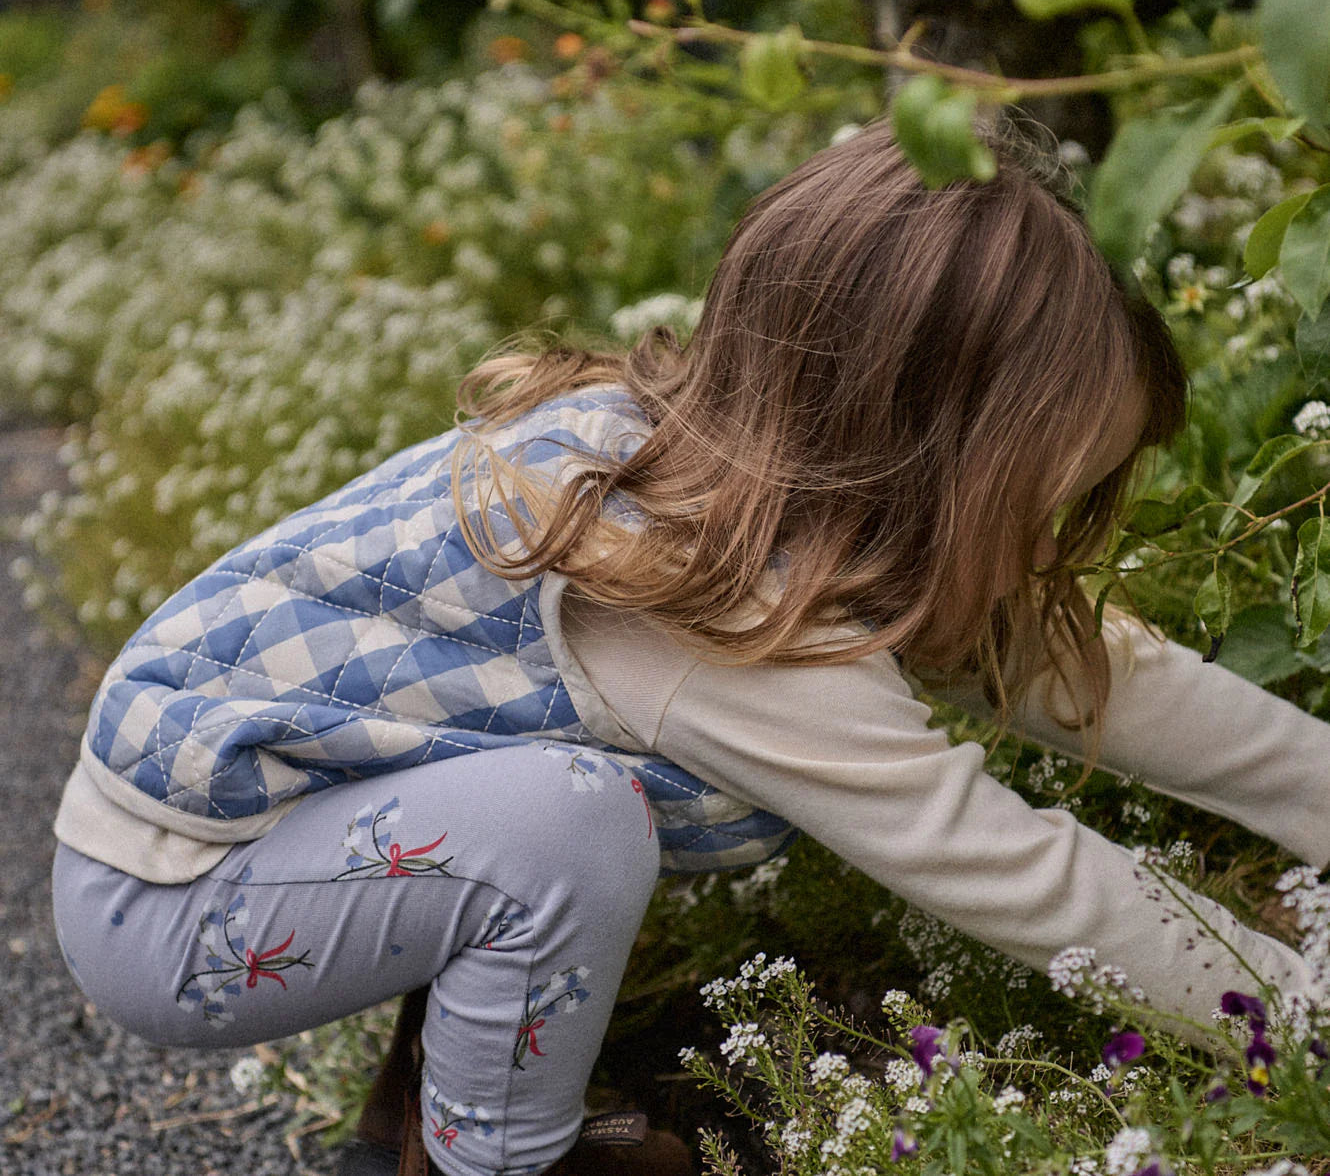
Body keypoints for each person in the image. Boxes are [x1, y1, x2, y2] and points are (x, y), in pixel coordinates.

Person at [50, 116, 1330, 1176]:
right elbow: (1016, 871)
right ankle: (497, 1161)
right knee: (571, 823)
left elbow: (1093, 669)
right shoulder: (717, 618)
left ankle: (414, 1110)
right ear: (923, 471)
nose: (1051, 540)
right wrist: (1302, 1021)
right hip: (177, 902)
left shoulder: (733, 475)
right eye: (1038, 508)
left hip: (273, 842)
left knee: (531, 812)